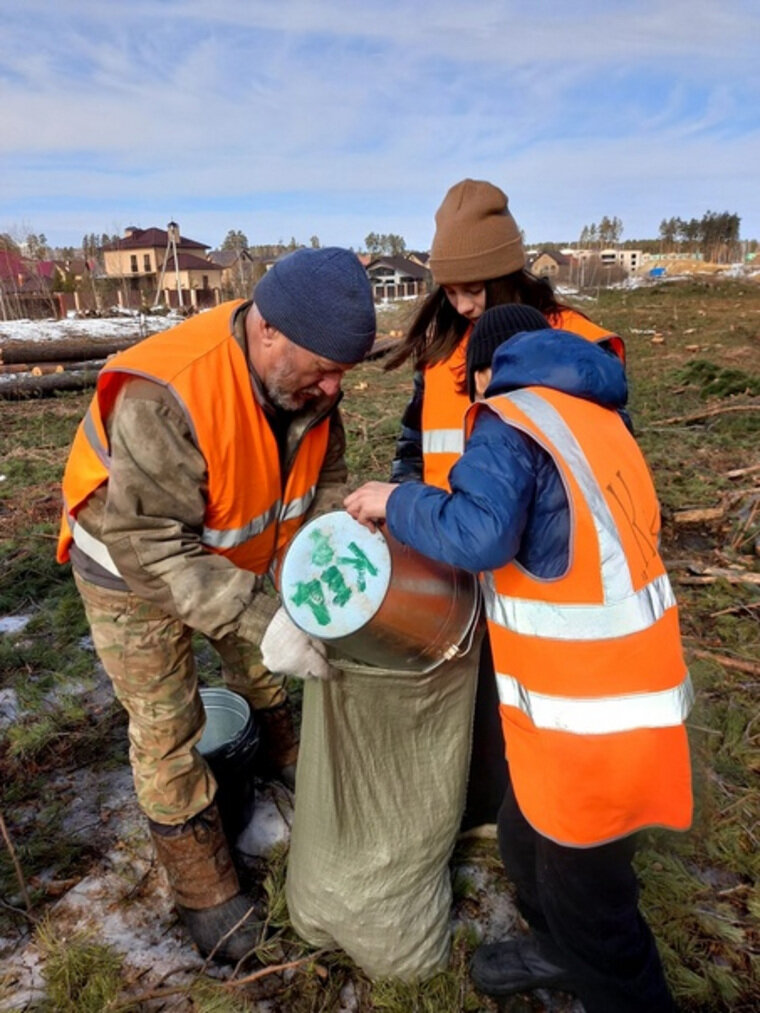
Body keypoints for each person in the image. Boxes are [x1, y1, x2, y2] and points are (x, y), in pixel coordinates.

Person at [345, 303, 693, 1012]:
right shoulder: (596, 421)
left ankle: (606, 976)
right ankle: (560, 948)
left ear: (486, 371)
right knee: (523, 836)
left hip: (589, 732)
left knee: (603, 920)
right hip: (626, 706)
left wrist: (397, 498)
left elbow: (480, 535)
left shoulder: (512, 417)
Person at [57, 247, 376, 963]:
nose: (333, 387)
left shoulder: (313, 389)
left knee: (263, 666)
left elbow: (323, 493)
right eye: (323, 367)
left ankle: (287, 757)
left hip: (231, 557)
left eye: (342, 372)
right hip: (128, 564)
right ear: (269, 333)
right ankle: (206, 894)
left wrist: (326, 574)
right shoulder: (167, 394)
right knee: (169, 722)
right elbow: (153, 547)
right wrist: (267, 617)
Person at [385, 178, 626, 832]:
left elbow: (596, 464)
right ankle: (482, 804)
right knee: (468, 681)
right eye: (451, 289)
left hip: (539, 567)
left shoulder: (571, 342)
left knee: (526, 693)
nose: (462, 304)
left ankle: (544, 813)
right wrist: (406, 503)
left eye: (476, 289)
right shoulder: (441, 344)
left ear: (512, 276)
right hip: (452, 543)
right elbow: (417, 437)